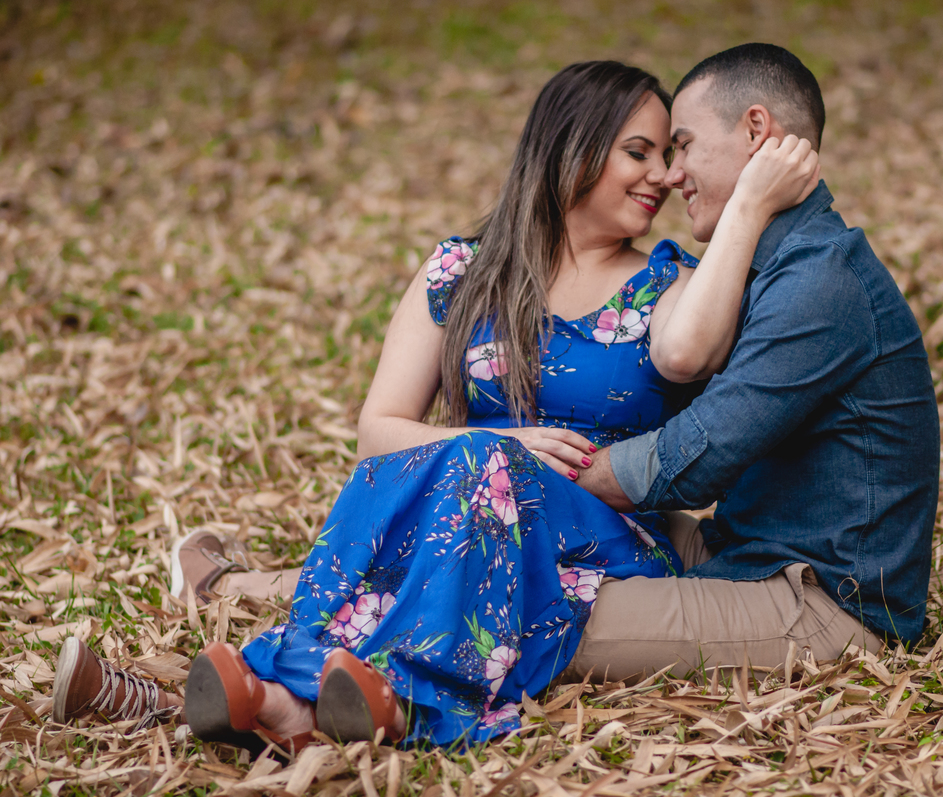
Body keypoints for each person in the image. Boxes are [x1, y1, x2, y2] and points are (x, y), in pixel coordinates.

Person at [50, 60, 820, 750]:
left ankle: (211, 693)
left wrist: (748, 204)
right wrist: (501, 447)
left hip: (605, 534)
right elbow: (377, 433)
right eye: (639, 152)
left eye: (668, 154)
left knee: (468, 464)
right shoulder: (464, 270)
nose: (661, 175)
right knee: (451, 462)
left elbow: (689, 353)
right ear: (569, 149)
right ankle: (287, 701)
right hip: (461, 505)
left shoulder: (670, 279)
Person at [565, 43, 941, 682]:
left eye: (682, 146)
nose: (670, 174)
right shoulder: (767, 267)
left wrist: (542, 475)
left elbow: (702, 455)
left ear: (756, 131)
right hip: (739, 554)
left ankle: (382, 697)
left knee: (547, 610)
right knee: (518, 552)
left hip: (824, 603)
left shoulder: (822, 280)